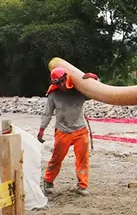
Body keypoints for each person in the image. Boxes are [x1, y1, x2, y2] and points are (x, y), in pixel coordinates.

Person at [39, 68, 98, 196]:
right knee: (57, 158)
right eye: (57, 83)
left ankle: (82, 186)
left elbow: (96, 92)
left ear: (66, 78)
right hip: (63, 131)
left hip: (80, 130)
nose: (61, 85)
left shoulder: (79, 91)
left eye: (62, 81)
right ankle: (48, 181)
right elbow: (47, 113)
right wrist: (41, 129)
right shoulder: (53, 95)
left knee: (83, 160)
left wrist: (94, 78)